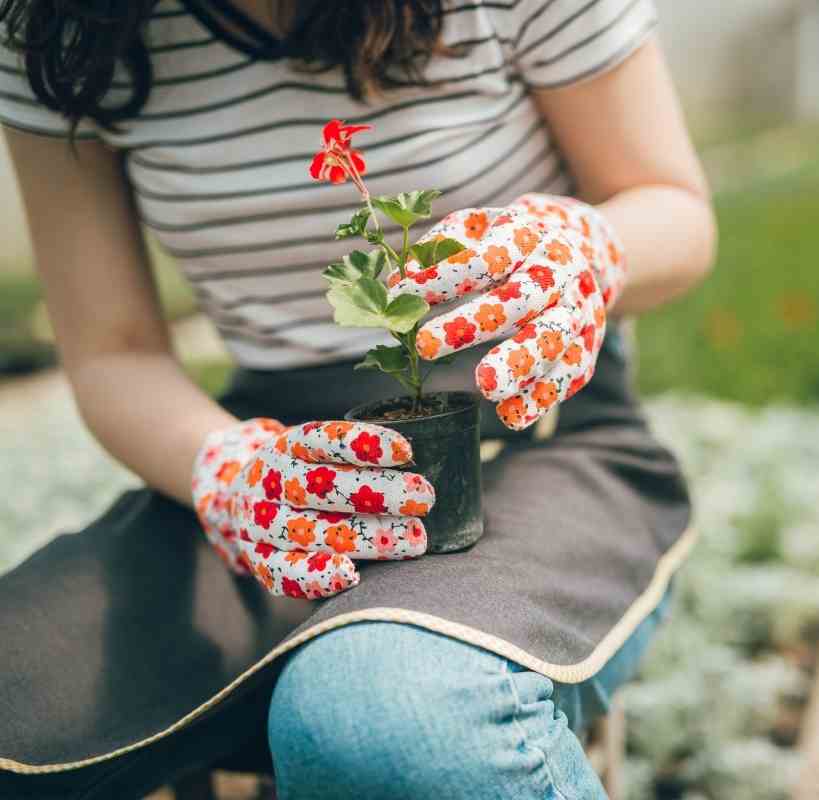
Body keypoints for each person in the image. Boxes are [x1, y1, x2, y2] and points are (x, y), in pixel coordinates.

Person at [0, 1, 714, 798]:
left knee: (389, 712)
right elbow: (112, 351)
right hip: (282, 484)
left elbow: (674, 205)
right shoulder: (62, 29)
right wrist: (226, 469)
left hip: (534, 443)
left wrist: (591, 248)